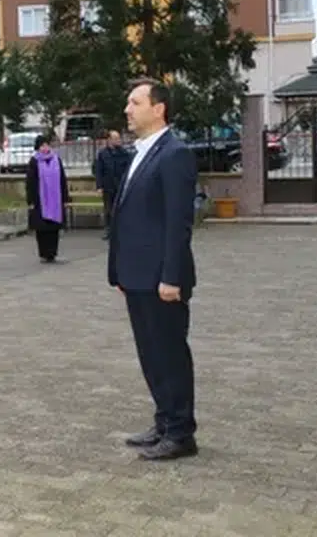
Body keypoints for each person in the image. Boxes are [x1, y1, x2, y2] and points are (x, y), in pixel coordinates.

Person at [109, 78, 199, 461]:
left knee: (169, 354)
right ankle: (164, 421)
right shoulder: (141, 152)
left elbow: (178, 222)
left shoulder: (174, 153)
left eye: (135, 102)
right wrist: (119, 272)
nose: (127, 110)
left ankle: (181, 433)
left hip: (162, 279)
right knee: (150, 354)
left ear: (158, 108)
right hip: (137, 276)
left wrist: (171, 277)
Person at [25, 134, 71, 263]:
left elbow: (62, 179)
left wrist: (65, 198)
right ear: (38, 148)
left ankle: (52, 252)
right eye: (42, 146)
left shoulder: (56, 160)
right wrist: (31, 200)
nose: (45, 148)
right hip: (41, 200)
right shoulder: (34, 161)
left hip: (55, 200)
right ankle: (44, 252)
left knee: (53, 228)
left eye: (47, 145)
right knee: (42, 228)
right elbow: (30, 183)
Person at [93, 130, 132, 240]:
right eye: (115, 138)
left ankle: (121, 230)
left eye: (118, 138)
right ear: (109, 140)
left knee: (121, 209)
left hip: (120, 185)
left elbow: (128, 169)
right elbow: (98, 171)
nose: (118, 141)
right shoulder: (103, 154)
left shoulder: (124, 153)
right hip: (108, 186)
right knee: (108, 210)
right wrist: (99, 186)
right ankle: (109, 230)